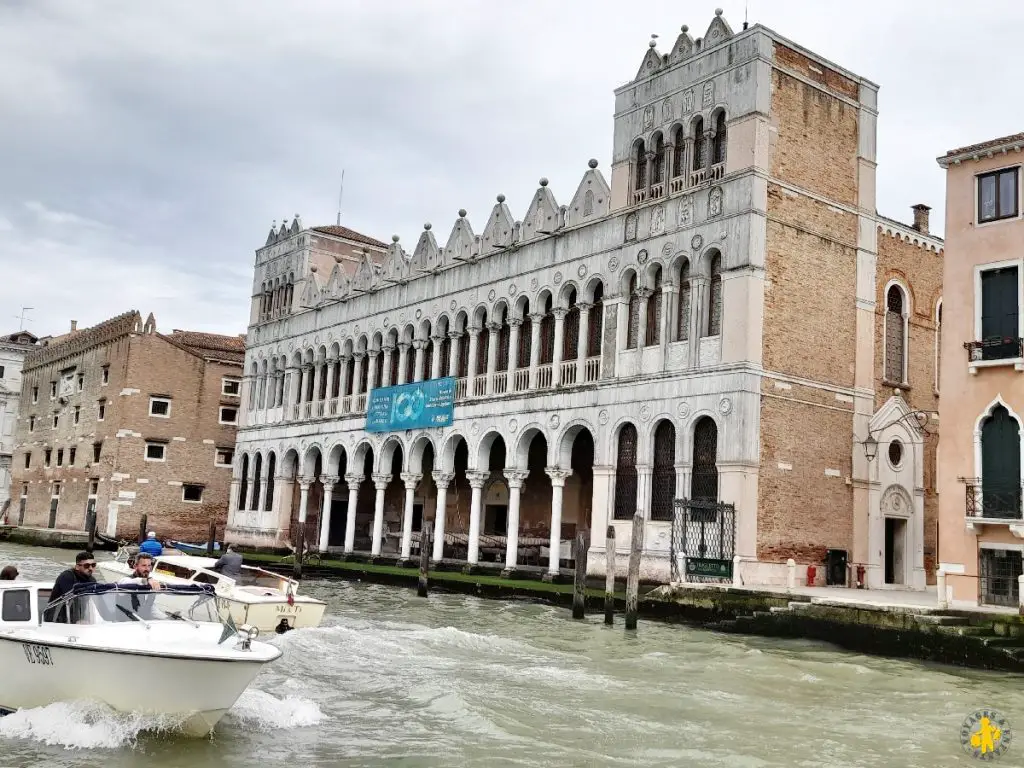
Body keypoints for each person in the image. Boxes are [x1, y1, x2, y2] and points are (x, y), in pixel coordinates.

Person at [44, 551, 97, 622]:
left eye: (93, 565)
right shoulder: (67, 576)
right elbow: (71, 601)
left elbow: (94, 600)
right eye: (86, 566)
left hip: (78, 619)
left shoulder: (92, 580)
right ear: (77, 567)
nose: (90, 568)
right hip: (56, 620)